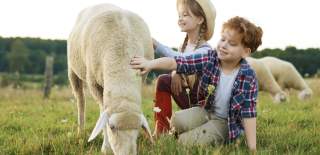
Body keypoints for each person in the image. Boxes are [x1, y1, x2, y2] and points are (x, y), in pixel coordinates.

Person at [131, 16, 263, 151]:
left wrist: (252, 148)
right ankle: (190, 131)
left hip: (226, 122)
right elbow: (177, 61)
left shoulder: (248, 77)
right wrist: (150, 64)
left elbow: (249, 113)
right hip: (207, 110)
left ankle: (210, 136)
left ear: (245, 52)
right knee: (176, 121)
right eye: (223, 39)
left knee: (184, 142)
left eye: (232, 44)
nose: (223, 45)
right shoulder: (210, 57)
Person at [152, 0, 216, 136]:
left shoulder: (205, 50)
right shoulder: (183, 46)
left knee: (181, 129)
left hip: (204, 107)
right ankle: (161, 130)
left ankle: (193, 125)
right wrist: (176, 73)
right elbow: (179, 61)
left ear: (199, 19)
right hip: (189, 99)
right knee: (164, 80)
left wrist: (155, 44)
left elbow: (181, 59)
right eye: (179, 15)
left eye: (185, 15)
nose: (180, 19)